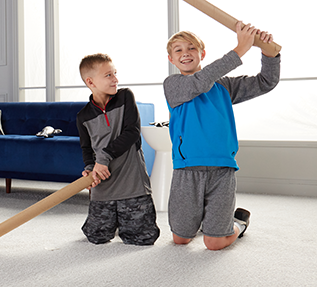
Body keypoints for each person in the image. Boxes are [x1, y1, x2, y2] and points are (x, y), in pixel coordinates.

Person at [163, 22, 281, 250]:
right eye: (178, 50)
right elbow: (199, 82)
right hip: (187, 169)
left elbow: (266, 82)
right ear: (171, 59)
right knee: (181, 239)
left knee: (214, 243)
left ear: (202, 54)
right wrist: (239, 50)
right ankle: (205, 221)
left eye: (191, 48)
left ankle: (237, 223)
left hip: (222, 169)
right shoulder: (174, 85)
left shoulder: (224, 87)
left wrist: (268, 53)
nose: (185, 53)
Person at [76, 53, 160, 245]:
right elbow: (86, 148)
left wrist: (104, 157)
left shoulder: (125, 97)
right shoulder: (83, 117)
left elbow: (132, 132)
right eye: (109, 75)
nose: (116, 79)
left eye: (115, 73)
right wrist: (90, 168)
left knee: (142, 239)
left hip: (133, 185)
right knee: (96, 237)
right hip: (103, 187)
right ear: (91, 81)